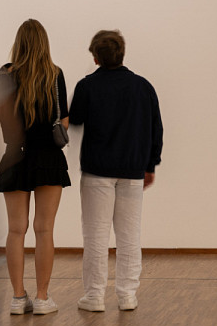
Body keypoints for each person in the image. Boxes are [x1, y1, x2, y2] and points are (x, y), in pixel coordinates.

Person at [69, 29, 163, 311]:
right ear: (122, 53)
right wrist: (150, 165)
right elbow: (156, 129)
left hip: (97, 171)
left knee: (96, 237)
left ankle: (94, 296)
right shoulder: (143, 87)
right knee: (129, 236)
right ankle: (127, 295)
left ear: (95, 58)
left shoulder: (87, 86)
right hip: (133, 170)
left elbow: (75, 120)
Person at [0, 19, 70, 315]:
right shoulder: (54, 74)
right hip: (48, 157)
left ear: (19, 43)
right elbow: (63, 120)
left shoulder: (5, 74)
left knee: (16, 230)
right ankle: (41, 298)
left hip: (15, 156)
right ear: (44, 43)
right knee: (44, 229)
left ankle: (17, 298)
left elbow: (2, 116)